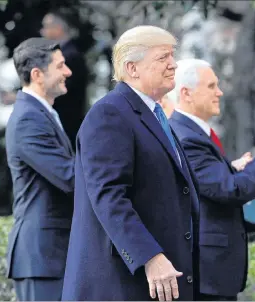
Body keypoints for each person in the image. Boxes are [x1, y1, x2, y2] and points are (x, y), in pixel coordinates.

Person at [62, 26, 200, 301]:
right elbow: (109, 196)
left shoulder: (154, 115)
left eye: (173, 56)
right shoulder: (109, 114)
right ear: (132, 68)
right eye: (163, 58)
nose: (174, 64)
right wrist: (150, 256)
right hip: (122, 285)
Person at [169, 58, 255, 301]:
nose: (219, 92)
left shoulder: (193, 133)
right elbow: (228, 190)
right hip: (205, 275)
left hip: (212, 274)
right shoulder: (187, 137)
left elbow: (213, 184)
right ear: (186, 93)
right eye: (211, 86)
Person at [5, 38, 75, 301]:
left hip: (50, 255)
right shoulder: (28, 119)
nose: (67, 72)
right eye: (60, 66)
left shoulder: (41, 113)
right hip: (41, 257)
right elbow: (69, 176)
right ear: (37, 74)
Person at [41, 9, 88, 148]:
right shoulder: (66, 54)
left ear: (58, 29)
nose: (42, 31)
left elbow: (59, 91)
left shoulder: (70, 56)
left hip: (65, 128)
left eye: (46, 26)